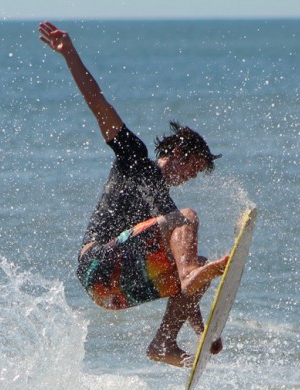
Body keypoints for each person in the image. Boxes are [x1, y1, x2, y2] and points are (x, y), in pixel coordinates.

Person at [39, 21, 229, 367]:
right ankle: (188, 281)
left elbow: (185, 282)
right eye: (193, 168)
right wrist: (70, 55)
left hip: (110, 294)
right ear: (178, 152)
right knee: (187, 221)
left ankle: (163, 344)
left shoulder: (164, 214)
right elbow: (98, 103)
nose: (189, 178)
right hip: (96, 265)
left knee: (196, 264)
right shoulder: (133, 156)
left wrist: (204, 331)